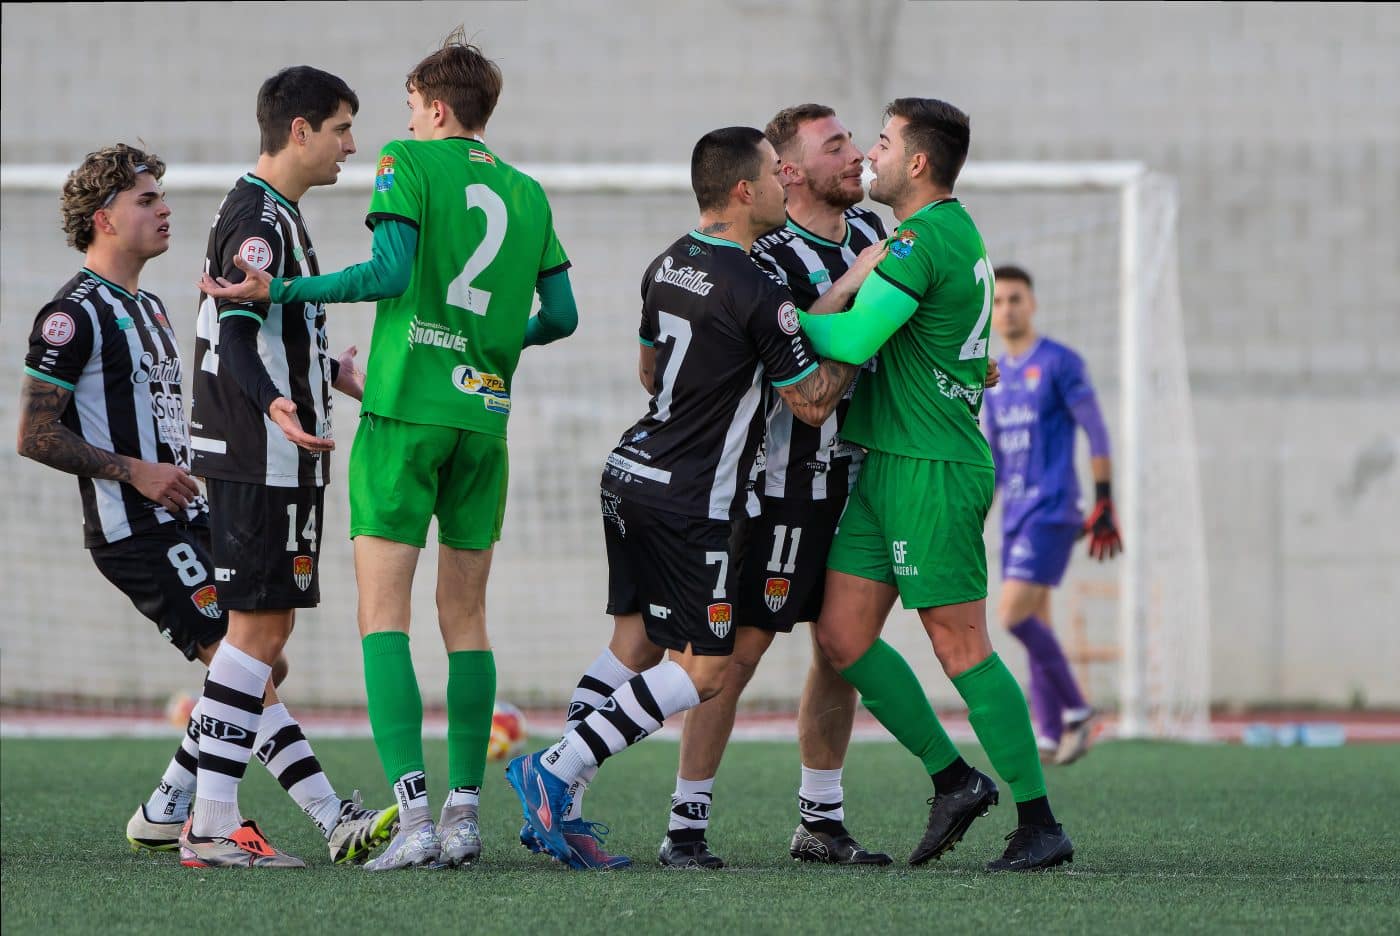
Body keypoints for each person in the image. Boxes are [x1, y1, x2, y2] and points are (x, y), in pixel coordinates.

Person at [200, 31, 580, 871]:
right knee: (469, 620)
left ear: (435, 108)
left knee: (385, 618)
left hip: (404, 411)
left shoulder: (407, 163)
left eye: (409, 105)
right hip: (484, 420)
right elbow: (563, 317)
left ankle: (412, 818)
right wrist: (486, 347)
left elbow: (386, 270)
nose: (396, 123)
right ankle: (465, 816)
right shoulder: (526, 191)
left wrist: (286, 288)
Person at [505, 126, 877, 871]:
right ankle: (555, 767)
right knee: (705, 669)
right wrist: (865, 339)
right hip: (693, 499)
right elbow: (808, 403)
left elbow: (650, 370)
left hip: (629, 471)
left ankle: (564, 810)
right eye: (776, 172)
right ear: (745, 191)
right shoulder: (760, 290)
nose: (785, 180)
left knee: (632, 645)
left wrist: (835, 292)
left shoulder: (669, 262)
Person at [16, 143, 393, 870]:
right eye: (147, 200)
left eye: (162, 196)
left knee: (258, 665)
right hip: (137, 525)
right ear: (104, 219)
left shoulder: (151, 306)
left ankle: (167, 807)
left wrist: (326, 372)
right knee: (239, 651)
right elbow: (34, 433)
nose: (165, 210)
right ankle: (322, 816)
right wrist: (137, 472)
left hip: (187, 514)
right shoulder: (73, 312)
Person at [799, 98, 1074, 871]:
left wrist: (766, 319)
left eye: (881, 142)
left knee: (961, 647)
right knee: (842, 636)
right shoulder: (943, 234)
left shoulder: (925, 235)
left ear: (917, 162)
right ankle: (955, 780)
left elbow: (853, 336)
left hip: (933, 468)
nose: (870, 155)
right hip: (886, 460)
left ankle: (1039, 822)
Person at [660, 104, 892, 869]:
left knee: (841, 649)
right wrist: (865, 319)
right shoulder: (764, 259)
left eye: (855, 141)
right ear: (785, 173)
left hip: (852, 481)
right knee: (734, 653)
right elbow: (803, 387)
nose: (856, 156)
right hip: (771, 486)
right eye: (837, 147)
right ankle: (684, 825)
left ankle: (820, 819)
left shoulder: (866, 238)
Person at [183, 66, 395, 869]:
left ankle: (199, 808)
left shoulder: (279, 215)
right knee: (256, 633)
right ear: (300, 130)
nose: (351, 145)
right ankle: (208, 821)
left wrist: (325, 376)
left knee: (262, 638)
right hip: (258, 449)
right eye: (342, 127)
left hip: (275, 447)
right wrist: (276, 403)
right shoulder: (258, 218)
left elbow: (264, 324)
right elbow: (234, 331)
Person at [985, 264, 1120, 765]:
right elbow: (997, 458)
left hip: (1054, 507)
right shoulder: (995, 373)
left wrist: (1105, 497)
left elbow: (1097, 431)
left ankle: (1078, 710)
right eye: (999, 302)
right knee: (1036, 620)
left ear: (1033, 304)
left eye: (1016, 299)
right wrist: (976, 513)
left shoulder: (1061, 362)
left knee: (1012, 615)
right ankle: (1046, 733)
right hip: (1017, 514)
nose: (1008, 309)